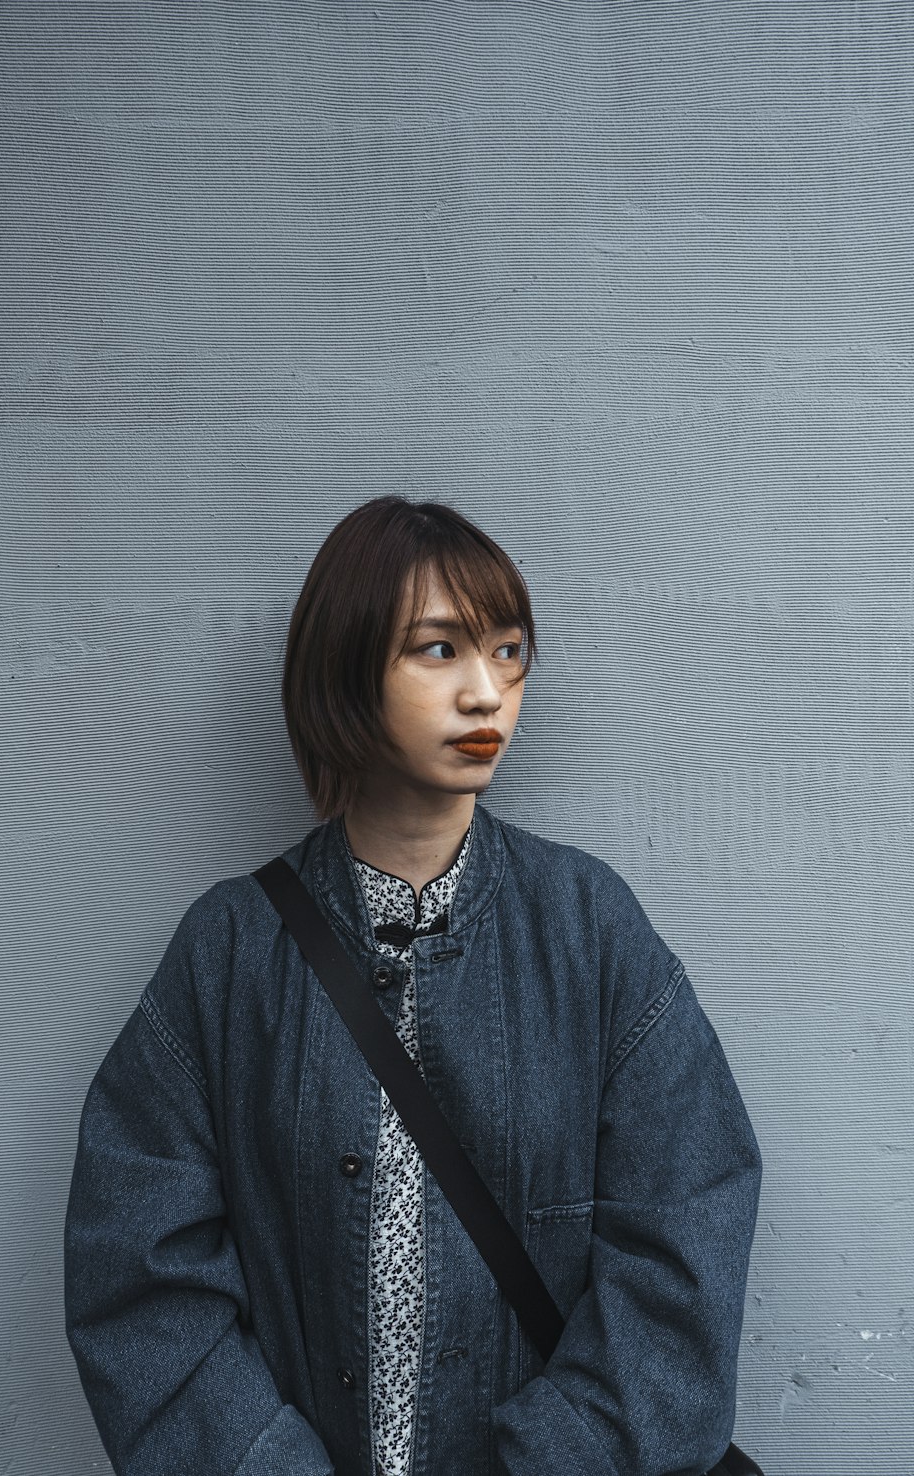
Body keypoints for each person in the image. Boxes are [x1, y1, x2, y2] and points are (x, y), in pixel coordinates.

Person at [63, 495, 763, 1476]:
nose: (487, 693)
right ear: (344, 672)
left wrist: (555, 1458)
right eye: (439, 650)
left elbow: (687, 1241)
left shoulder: (587, 925)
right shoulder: (229, 950)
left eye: (507, 651)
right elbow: (137, 1278)